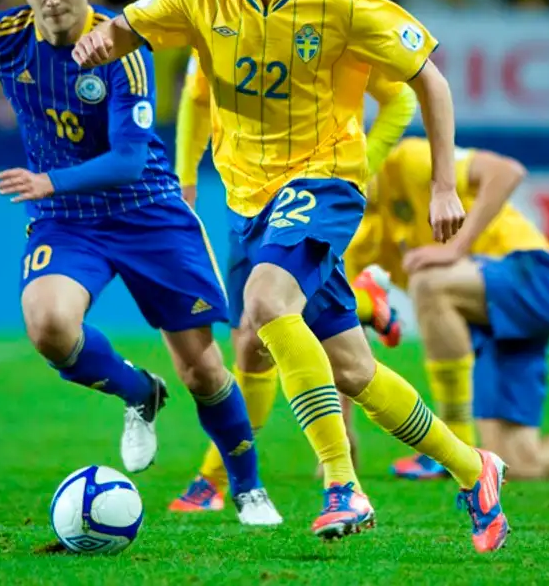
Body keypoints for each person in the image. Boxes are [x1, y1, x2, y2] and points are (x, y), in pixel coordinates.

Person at [71, 0, 508, 552]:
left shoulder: (342, 3)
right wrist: (100, 41)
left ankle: (342, 483)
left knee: (266, 302)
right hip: (248, 200)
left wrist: (444, 184)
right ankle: (474, 468)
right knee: (351, 368)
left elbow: (429, 80)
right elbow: (128, 28)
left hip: (324, 180)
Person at [0, 0, 280, 526]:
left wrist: (49, 180)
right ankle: (138, 392)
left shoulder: (122, 46)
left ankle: (249, 489)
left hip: (147, 212)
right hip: (67, 221)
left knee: (202, 369)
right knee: (48, 325)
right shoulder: (3, 38)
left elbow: (127, 159)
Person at [168, 47, 406, 512]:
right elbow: (195, 98)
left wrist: (363, 165)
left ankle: (222, 478)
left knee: (289, 334)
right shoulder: (211, 20)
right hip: (247, 203)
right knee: (250, 344)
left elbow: (402, 98)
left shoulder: (326, 23)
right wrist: (186, 176)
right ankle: (365, 302)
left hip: (311, 198)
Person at [346, 137, 549, 483]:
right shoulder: (358, 237)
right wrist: (343, 436)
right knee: (521, 464)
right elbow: (344, 333)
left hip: (533, 276)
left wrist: (456, 249)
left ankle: (454, 444)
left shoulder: (410, 159)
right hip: (490, 322)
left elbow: (507, 172)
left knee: (429, 283)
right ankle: (464, 451)